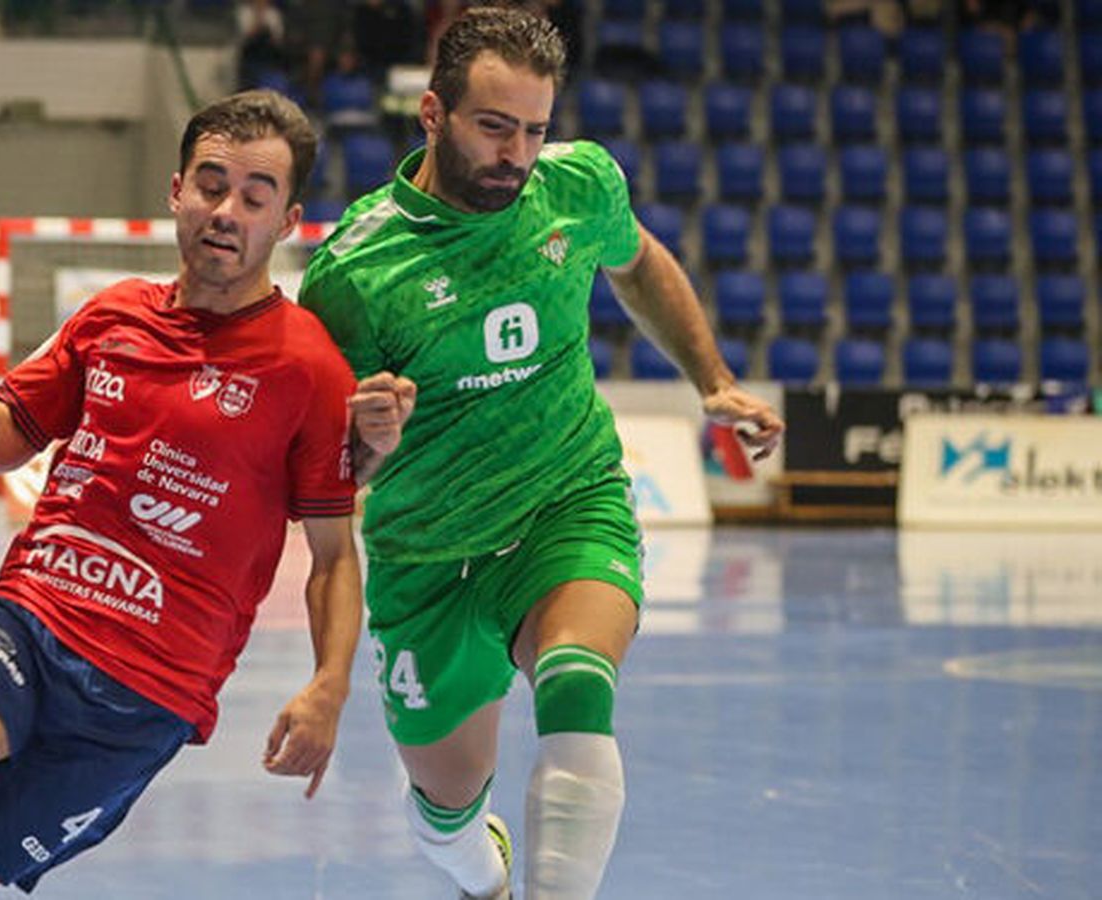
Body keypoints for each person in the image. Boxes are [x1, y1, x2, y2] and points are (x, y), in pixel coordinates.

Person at [0, 89, 376, 899]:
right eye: (211, 185)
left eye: (254, 198)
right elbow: (9, 439)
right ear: (177, 192)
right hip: (36, 616)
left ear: (287, 220)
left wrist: (330, 684)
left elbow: (333, 555)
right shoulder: (112, 316)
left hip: (147, 695)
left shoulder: (310, 367)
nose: (227, 212)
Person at [299, 7, 784, 899]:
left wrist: (711, 380)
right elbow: (327, 474)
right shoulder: (354, 274)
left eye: (534, 129)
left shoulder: (578, 185)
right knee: (446, 815)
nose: (517, 154)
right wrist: (370, 439)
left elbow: (639, 263)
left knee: (575, 682)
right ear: (434, 114)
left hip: (566, 499)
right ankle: (482, 875)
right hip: (428, 556)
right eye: (494, 127)